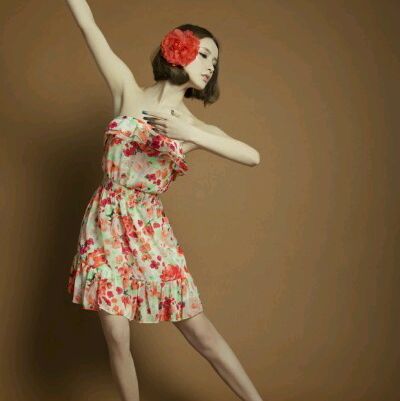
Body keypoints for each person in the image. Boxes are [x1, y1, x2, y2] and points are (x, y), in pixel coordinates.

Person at [65, 1, 262, 400]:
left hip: (150, 229)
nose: (210, 67)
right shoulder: (127, 89)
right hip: (105, 220)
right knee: (116, 332)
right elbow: (88, 26)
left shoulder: (194, 126)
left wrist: (188, 133)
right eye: (204, 55)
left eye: (215, 62)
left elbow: (252, 156)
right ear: (179, 50)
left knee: (199, 331)